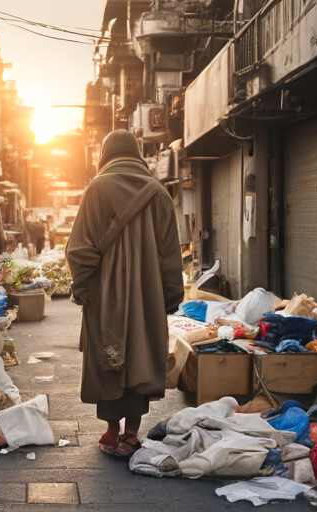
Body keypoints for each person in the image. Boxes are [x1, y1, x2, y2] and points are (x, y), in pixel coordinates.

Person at [66, 130, 184, 457]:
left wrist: (84, 288)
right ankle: (132, 434)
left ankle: (110, 430)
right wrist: (171, 296)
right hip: (148, 296)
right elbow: (171, 254)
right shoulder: (159, 193)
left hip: (105, 294)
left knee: (108, 358)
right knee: (141, 356)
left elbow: (80, 250)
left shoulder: (97, 189)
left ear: (105, 155)